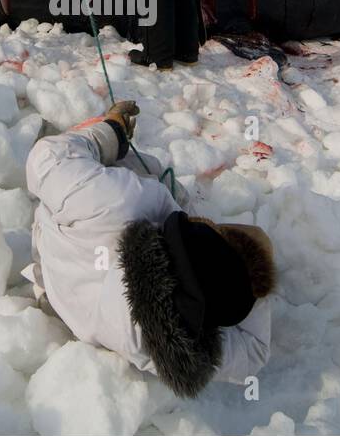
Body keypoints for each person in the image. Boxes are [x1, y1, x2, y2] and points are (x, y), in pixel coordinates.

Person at [25, 100, 274, 398]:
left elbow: (46, 157)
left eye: (219, 229)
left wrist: (112, 132)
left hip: (62, 238)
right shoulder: (168, 347)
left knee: (144, 167)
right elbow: (254, 352)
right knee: (258, 245)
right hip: (76, 299)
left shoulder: (122, 202)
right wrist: (248, 290)